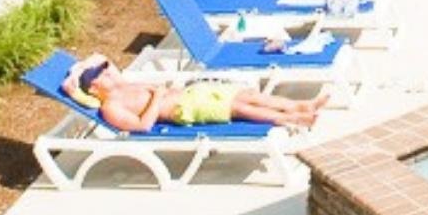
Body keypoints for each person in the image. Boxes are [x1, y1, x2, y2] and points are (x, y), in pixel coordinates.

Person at [65, 55, 327, 132]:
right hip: (184, 110)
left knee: (248, 95)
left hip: (191, 94)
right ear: (95, 87)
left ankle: (300, 106)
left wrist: (81, 69)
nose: (109, 71)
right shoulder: (110, 107)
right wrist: (157, 96)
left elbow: (104, 58)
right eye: (102, 74)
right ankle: (297, 120)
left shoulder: (120, 85)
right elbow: (143, 126)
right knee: (239, 109)